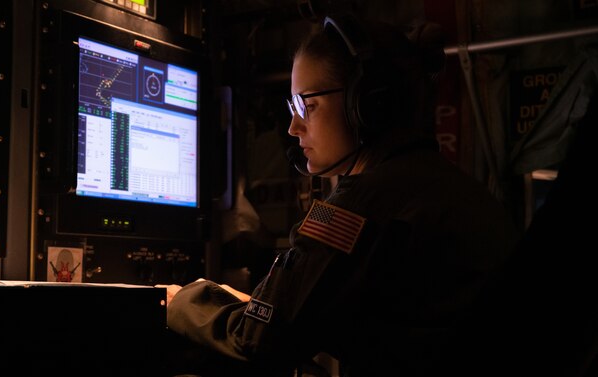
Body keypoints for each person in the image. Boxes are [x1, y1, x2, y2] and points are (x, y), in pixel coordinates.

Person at [160, 13, 521, 377]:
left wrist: (181, 301)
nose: (293, 127)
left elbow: (258, 341)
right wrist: (259, 306)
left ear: (365, 105)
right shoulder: (451, 190)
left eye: (307, 106)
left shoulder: (361, 207)